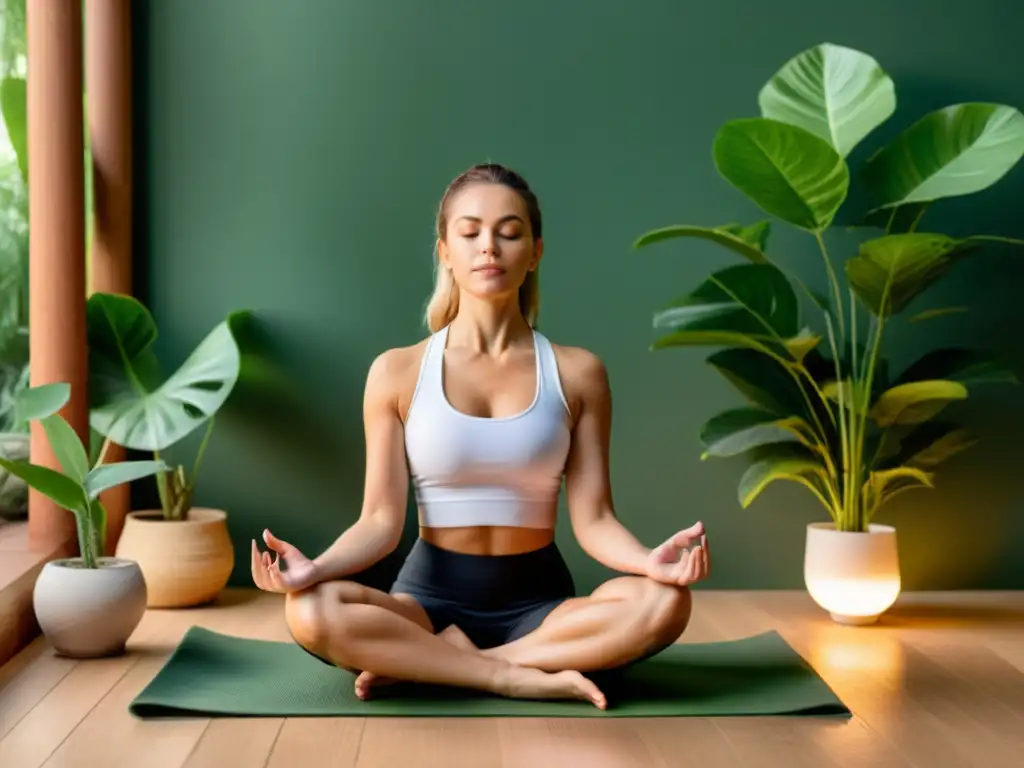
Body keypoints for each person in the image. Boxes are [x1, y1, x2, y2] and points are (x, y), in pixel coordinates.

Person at [250, 162, 710, 709]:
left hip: (538, 604)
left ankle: (440, 666)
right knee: (308, 609)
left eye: (509, 232)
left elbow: (595, 520)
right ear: (445, 250)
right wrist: (315, 569)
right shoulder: (397, 372)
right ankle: (509, 676)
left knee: (666, 604)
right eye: (470, 233)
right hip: (425, 603)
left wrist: (647, 562)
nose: (488, 246)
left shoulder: (578, 372)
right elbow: (379, 521)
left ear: (535, 251)